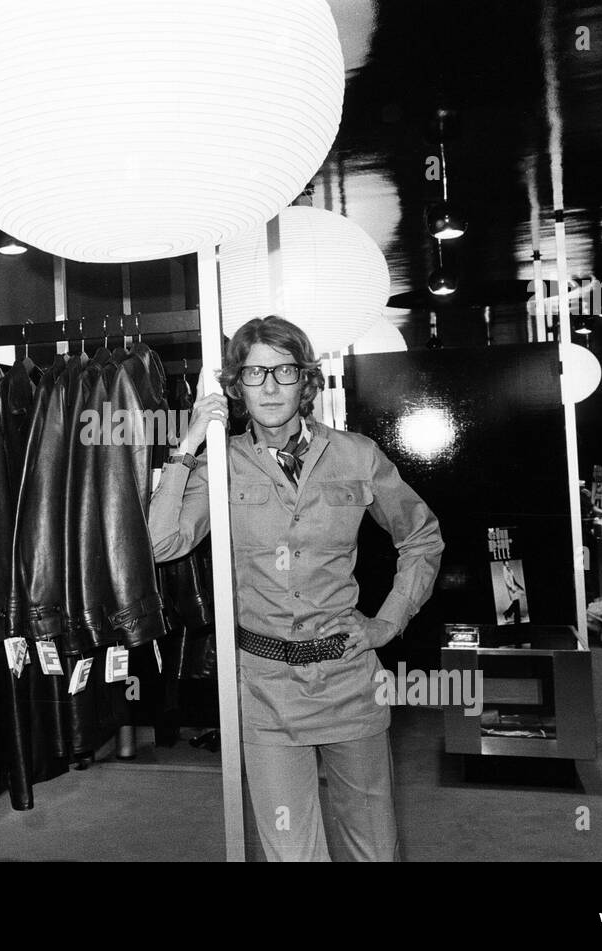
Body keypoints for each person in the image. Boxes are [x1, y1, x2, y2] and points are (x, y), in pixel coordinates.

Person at [148, 315, 444, 862]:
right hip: (266, 688)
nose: (268, 386)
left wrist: (387, 621)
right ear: (234, 385)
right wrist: (189, 442)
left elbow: (422, 538)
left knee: (374, 848)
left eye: (283, 371)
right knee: (290, 852)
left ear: (305, 381)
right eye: (254, 373)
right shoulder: (223, 462)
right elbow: (161, 542)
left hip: (350, 682)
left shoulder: (356, 455)